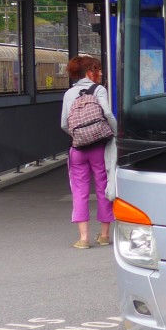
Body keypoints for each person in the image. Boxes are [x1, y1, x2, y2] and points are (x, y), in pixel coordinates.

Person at [60, 55, 117, 249]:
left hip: (77, 149)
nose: (100, 73)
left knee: (79, 191)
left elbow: (64, 124)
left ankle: (83, 239)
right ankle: (103, 235)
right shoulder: (99, 90)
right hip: (98, 149)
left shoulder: (69, 94)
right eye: (97, 69)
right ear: (89, 72)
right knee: (103, 187)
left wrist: (80, 136)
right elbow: (108, 113)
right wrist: (115, 133)